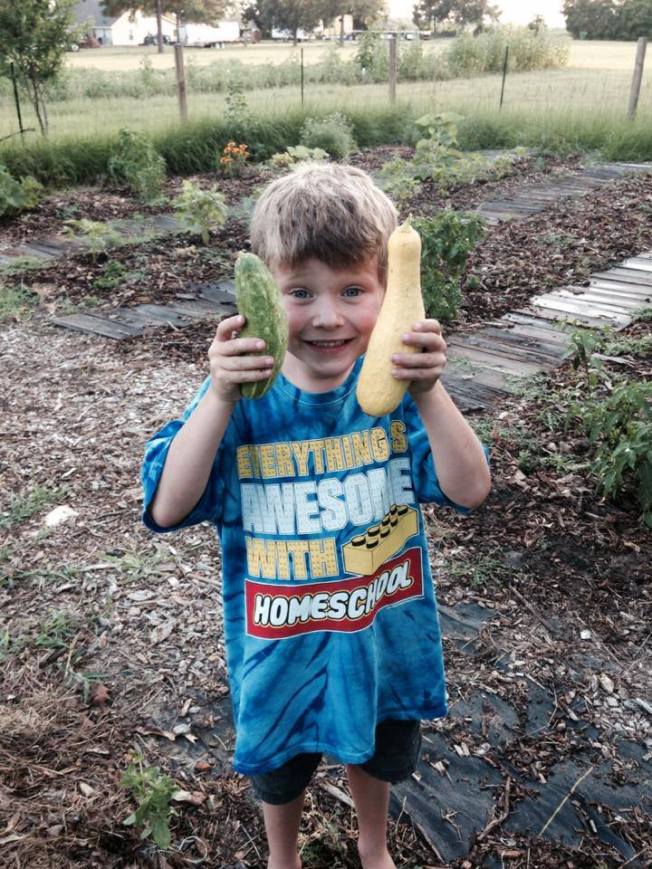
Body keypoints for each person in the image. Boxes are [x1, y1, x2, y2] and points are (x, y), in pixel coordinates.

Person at [141, 162, 491, 869]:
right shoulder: (244, 405)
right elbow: (167, 504)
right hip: (280, 651)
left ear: (389, 295)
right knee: (281, 769)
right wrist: (215, 397)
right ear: (263, 295)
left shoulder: (396, 402)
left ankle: (373, 845)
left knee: (379, 754)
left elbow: (470, 488)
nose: (328, 316)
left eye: (353, 290)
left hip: (382, 639)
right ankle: (283, 857)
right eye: (300, 291)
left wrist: (428, 392)